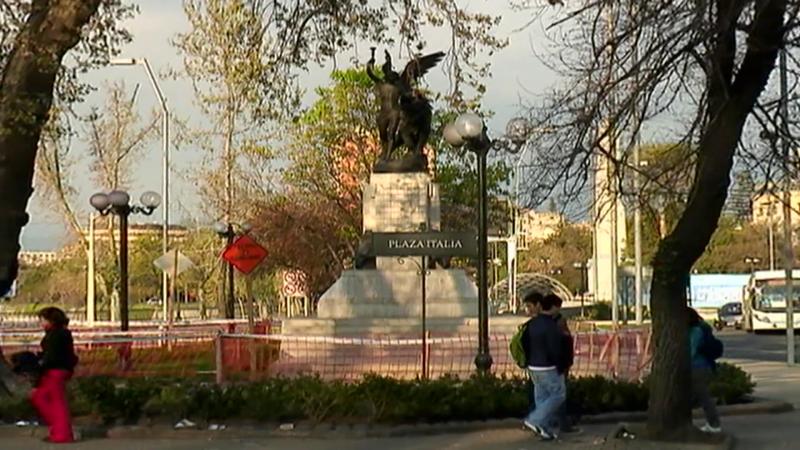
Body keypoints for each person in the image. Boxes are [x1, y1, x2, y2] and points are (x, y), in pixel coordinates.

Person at [521, 294, 566, 441]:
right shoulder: (551, 325)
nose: (558, 311)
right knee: (558, 395)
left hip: (533, 366)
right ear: (552, 307)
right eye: (558, 308)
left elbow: (525, 343)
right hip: (548, 366)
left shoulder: (532, 323)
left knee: (542, 397)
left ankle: (543, 428)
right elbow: (555, 349)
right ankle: (534, 419)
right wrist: (561, 365)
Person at [31, 307, 78, 443]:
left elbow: (52, 355)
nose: (41, 323)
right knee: (43, 398)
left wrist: (40, 363)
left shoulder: (54, 335)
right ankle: (60, 428)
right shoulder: (62, 333)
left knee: (55, 402)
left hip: (54, 370)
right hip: (60, 369)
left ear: (51, 320)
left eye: (43, 320)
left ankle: (61, 433)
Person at [688, 307, 722, 433]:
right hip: (699, 367)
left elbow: (691, 351)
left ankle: (714, 424)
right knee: (698, 397)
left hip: (699, 368)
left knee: (704, 397)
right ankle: (712, 423)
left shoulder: (696, 331)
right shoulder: (698, 329)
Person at [548, 293, 578, 433]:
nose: (559, 309)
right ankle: (562, 423)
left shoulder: (545, 321)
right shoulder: (558, 322)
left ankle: (552, 420)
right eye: (558, 307)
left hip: (552, 363)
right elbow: (566, 342)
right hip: (558, 363)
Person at [520, 291, 543, 414]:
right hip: (537, 364)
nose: (526, 309)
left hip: (538, 364)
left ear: (538, 305)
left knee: (539, 393)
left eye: (529, 306)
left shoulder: (534, 325)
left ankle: (535, 418)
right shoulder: (530, 325)